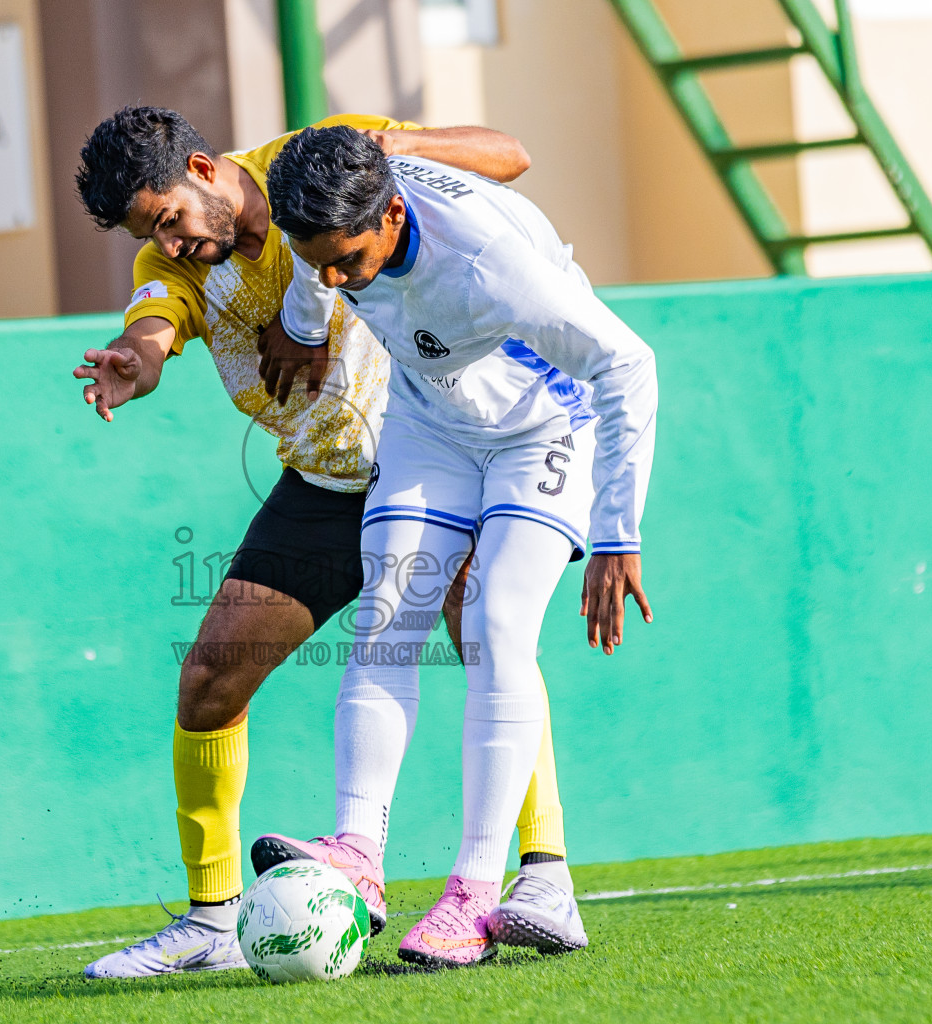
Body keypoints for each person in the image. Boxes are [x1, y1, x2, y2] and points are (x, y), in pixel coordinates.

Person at [72, 107, 580, 978]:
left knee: (486, 637)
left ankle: (537, 878)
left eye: (169, 217)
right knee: (208, 681)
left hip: (438, 454)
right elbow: (154, 323)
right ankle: (211, 923)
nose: (171, 242)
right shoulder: (168, 263)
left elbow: (512, 154)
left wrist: (394, 148)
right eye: (150, 232)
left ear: (202, 168)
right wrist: (135, 356)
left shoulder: (322, 160)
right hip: (327, 483)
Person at [251, 125, 658, 967]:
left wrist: (618, 533)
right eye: (313, 258)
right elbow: (312, 269)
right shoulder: (333, 217)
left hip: (544, 427)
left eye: (346, 261)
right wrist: (303, 322)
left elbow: (627, 363)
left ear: (393, 214)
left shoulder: (489, 266)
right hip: (430, 425)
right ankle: (358, 856)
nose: (331, 277)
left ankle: (475, 892)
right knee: (385, 616)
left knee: (494, 624)